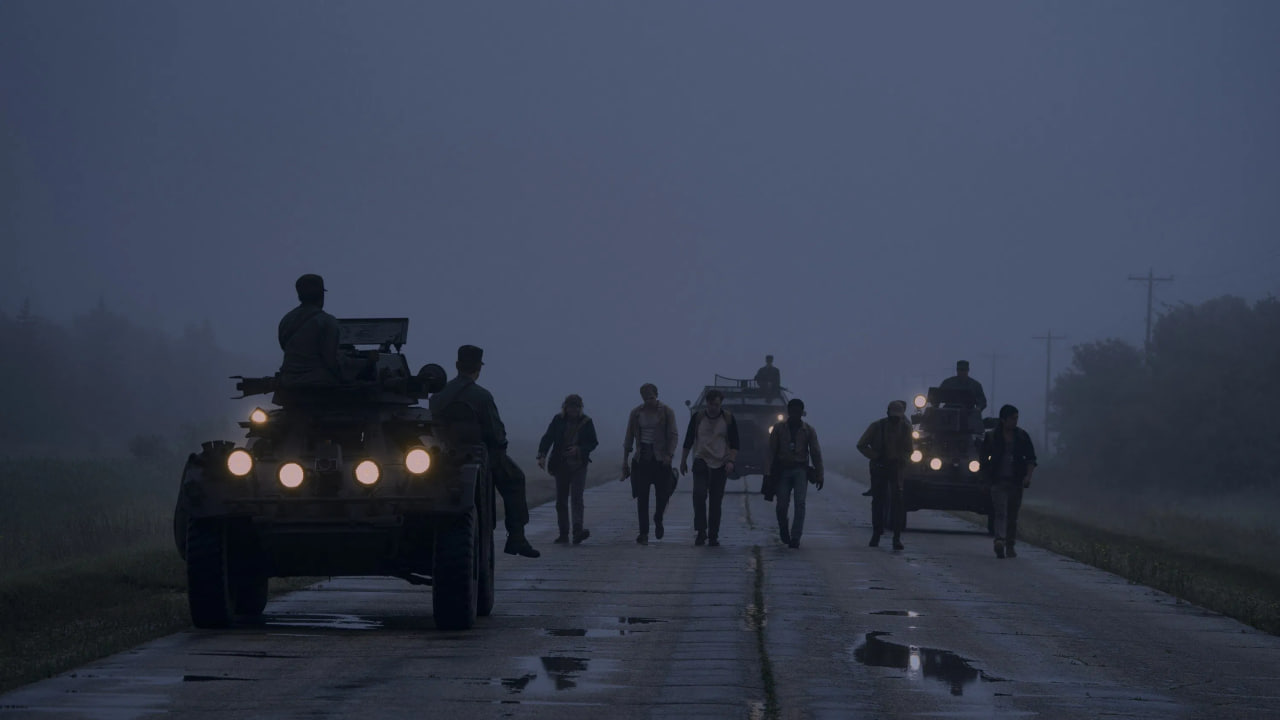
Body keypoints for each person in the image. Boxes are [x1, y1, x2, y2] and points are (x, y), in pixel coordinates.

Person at [429, 345, 539, 558]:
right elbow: (495, 433)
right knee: (515, 479)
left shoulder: (439, 395)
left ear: (457, 365)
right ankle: (517, 537)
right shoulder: (481, 396)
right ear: (478, 368)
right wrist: (500, 446)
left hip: (444, 453)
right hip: (480, 454)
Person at [679, 389, 740, 547]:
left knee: (715, 501)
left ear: (721, 404)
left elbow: (735, 443)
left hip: (720, 462)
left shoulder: (727, 418)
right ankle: (701, 531)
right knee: (699, 496)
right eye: (711, 404)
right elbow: (689, 440)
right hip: (701, 460)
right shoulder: (698, 417)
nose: (713, 408)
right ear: (707, 403)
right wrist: (683, 460)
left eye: (716, 405)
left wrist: (731, 461)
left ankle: (713, 535)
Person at [537, 394, 599, 545]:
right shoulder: (558, 420)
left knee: (577, 498)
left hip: (579, 465)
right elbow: (548, 437)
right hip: (561, 465)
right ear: (565, 407)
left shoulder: (587, 422)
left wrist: (579, 449)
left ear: (580, 408)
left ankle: (577, 531)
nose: (573, 410)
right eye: (571, 407)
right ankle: (563, 533)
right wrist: (542, 455)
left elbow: (593, 442)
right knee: (561, 500)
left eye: (576, 407)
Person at [622, 383, 679, 545]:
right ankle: (643, 533)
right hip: (642, 459)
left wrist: (669, 454)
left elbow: (673, 435)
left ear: (657, 395)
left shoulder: (667, 412)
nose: (649, 401)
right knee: (642, 498)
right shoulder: (636, 413)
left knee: (663, 495)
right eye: (646, 398)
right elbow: (629, 437)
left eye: (652, 397)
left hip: (661, 459)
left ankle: (658, 518)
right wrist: (625, 461)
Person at [979, 404, 1038, 559]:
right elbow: (983, 460)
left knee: (1012, 515)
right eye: (1012, 418)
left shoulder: (1022, 437)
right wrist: (985, 480)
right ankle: (999, 540)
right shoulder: (992, 437)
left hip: (1016, 482)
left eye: (1016, 418)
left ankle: (1010, 544)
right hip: (998, 481)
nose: (1015, 421)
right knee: (1000, 512)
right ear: (1003, 420)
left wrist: (1028, 477)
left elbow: (1031, 459)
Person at [765, 398, 824, 549]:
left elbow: (815, 453)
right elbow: (771, 451)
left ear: (802, 413)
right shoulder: (779, 429)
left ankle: (796, 537)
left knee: (800, 504)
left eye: (798, 412)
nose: (795, 414)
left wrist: (820, 474)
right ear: (788, 412)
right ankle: (784, 529)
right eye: (793, 411)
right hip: (782, 470)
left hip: (800, 470)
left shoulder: (808, 430)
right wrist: (768, 473)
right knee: (781, 505)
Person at [857, 400, 915, 551]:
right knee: (878, 501)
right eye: (893, 416)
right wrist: (875, 456)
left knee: (897, 503)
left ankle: (896, 537)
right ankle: (876, 533)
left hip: (896, 469)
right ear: (887, 413)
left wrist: (902, 460)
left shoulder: (905, 428)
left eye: (898, 417)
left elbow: (909, 450)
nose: (895, 420)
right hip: (879, 468)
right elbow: (861, 445)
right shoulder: (877, 426)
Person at [277, 274, 342, 390]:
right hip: (317, 383)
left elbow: (284, 347)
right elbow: (332, 361)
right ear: (321, 295)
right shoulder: (327, 321)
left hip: (288, 382)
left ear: (299, 295)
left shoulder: (286, 320)